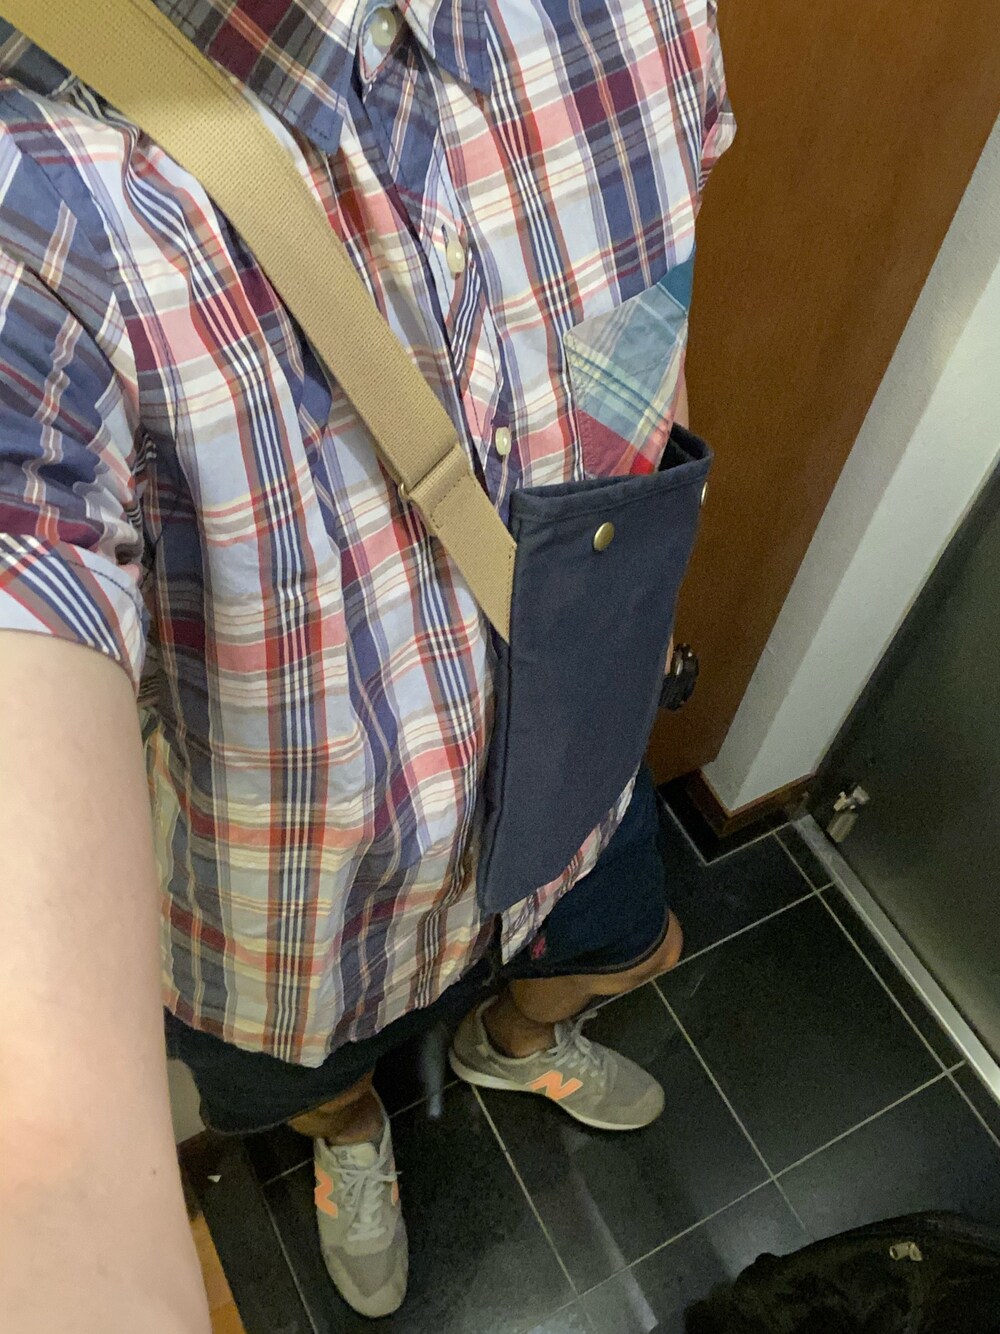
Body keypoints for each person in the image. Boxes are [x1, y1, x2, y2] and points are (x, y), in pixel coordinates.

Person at [0, 1, 736, 1327]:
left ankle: (515, 1046)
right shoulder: (40, 197)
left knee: (634, 942)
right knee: (315, 1083)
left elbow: (645, 351)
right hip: (294, 918)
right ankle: (353, 1139)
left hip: (574, 774)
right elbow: (45, 1164)